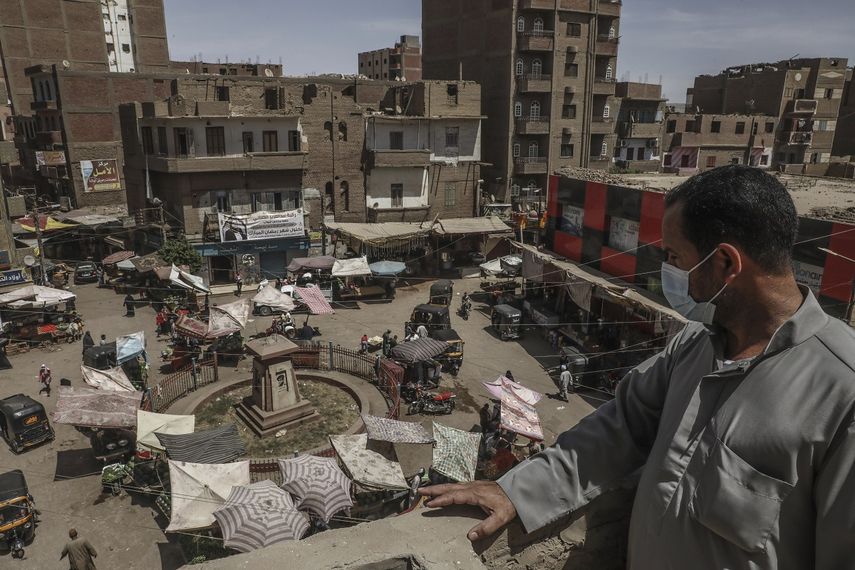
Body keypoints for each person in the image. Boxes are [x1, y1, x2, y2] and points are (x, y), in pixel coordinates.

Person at [419, 165, 855, 568]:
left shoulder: (841, 392)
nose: (668, 272)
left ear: (725, 263)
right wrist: (515, 490)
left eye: (676, 257)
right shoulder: (692, 348)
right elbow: (615, 430)